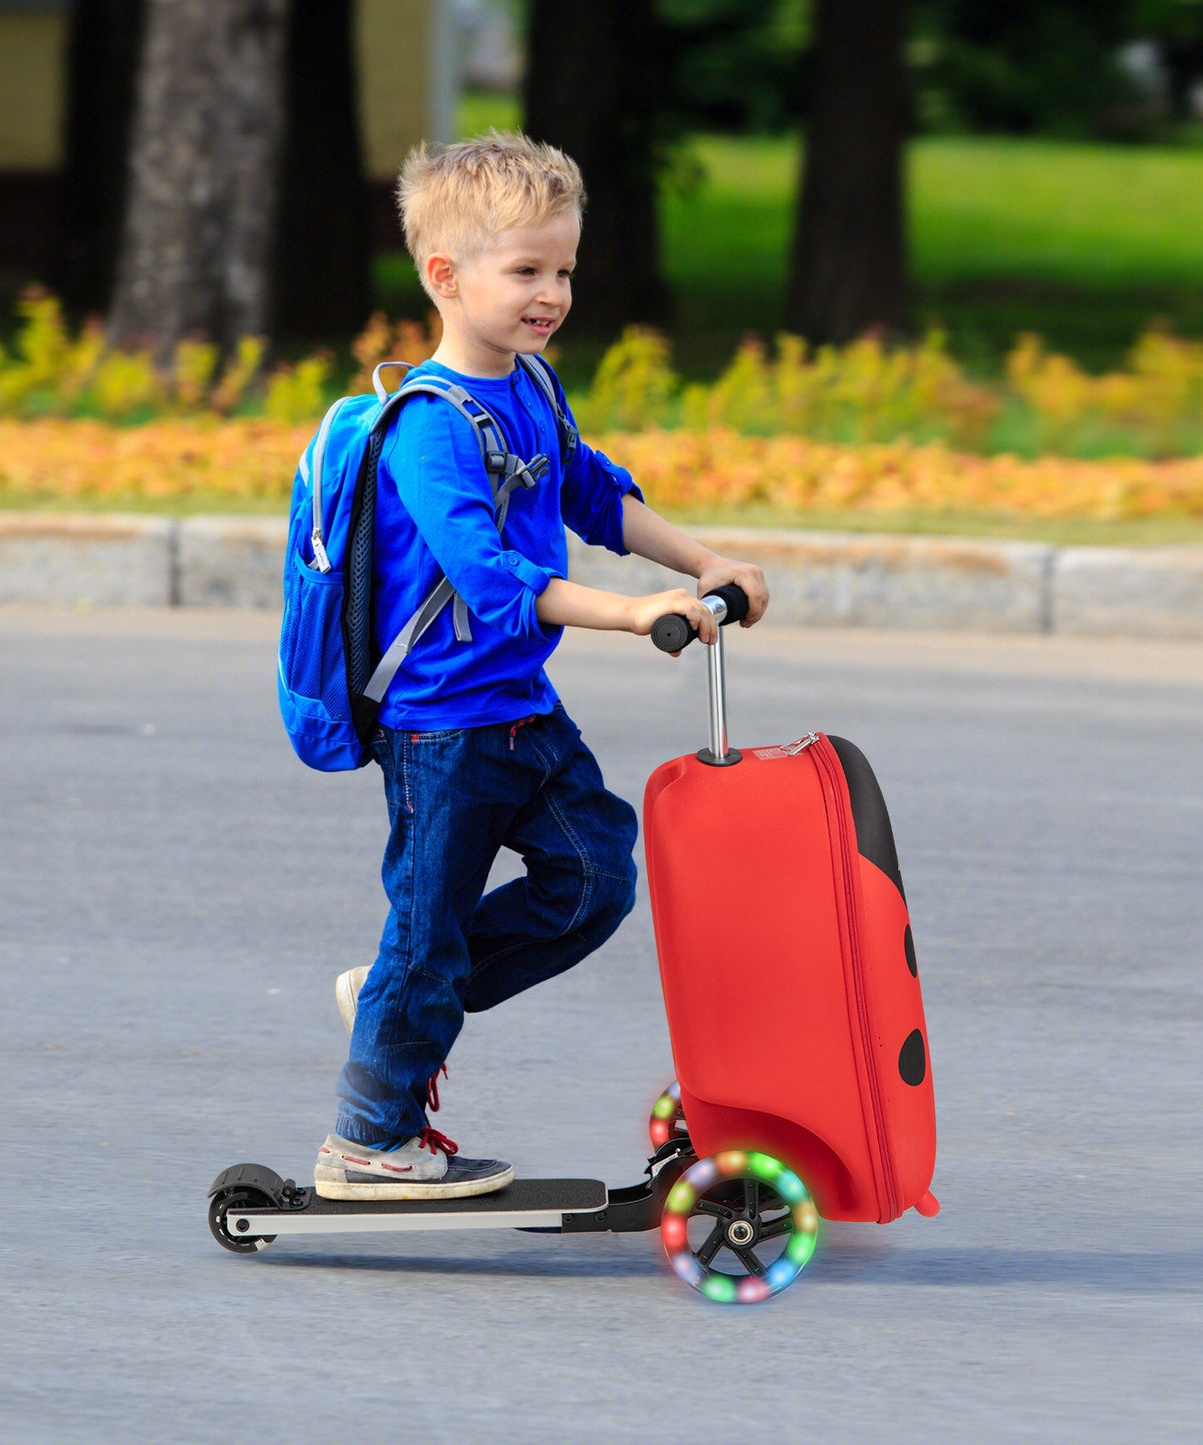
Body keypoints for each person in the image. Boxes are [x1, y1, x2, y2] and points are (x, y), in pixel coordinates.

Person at [314, 131, 769, 1201]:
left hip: (520, 707)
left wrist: (703, 560)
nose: (550, 292)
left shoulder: (534, 387)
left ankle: (398, 993)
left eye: (561, 269)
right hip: (442, 728)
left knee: (594, 876)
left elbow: (591, 492)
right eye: (525, 270)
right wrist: (633, 611)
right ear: (445, 276)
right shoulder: (426, 426)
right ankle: (366, 1142)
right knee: (427, 930)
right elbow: (492, 576)